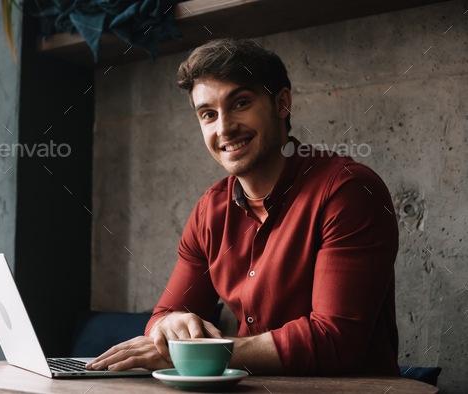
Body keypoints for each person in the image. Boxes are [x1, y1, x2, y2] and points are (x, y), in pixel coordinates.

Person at [86, 38, 400, 376]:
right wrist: (172, 326)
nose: (224, 128)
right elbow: (164, 316)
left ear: (282, 103)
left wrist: (196, 354)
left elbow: (335, 342)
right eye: (208, 114)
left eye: (240, 103)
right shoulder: (210, 211)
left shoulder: (349, 191)